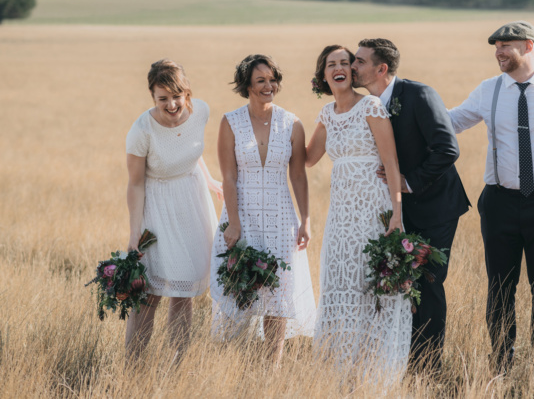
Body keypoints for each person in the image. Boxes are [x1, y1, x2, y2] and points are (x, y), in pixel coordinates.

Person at [448, 21, 534, 373]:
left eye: (505, 46)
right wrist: (403, 122)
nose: (498, 52)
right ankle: (502, 365)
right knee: (500, 291)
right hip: (499, 203)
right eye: (495, 47)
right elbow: (454, 121)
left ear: (528, 45)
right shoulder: (488, 90)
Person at [351, 38, 470, 372]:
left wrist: (407, 181)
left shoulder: (419, 95)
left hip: (435, 208)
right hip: (396, 213)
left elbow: (447, 149)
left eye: (359, 61)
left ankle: (428, 367)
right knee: (400, 284)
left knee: (428, 285)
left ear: (381, 68)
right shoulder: (366, 103)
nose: (352, 66)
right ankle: (398, 360)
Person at [306, 44, 410, 384]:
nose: (338, 67)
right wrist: (275, 126)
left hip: (373, 208)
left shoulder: (371, 106)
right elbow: (307, 158)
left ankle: (372, 371)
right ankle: (342, 371)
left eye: (344, 62)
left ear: (352, 71)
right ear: (323, 74)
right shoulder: (326, 114)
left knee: (370, 284)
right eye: (331, 64)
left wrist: (396, 214)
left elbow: (391, 163)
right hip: (341, 217)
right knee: (341, 282)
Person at [210, 54, 316, 365]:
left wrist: (305, 220)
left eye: (272, 79)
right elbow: (228, 176)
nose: (269, 85)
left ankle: (272, 370)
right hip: (241, 215)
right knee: (236, 293)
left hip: (281, 217)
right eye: (261, 80)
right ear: (247, 86)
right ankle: (228, 366)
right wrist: (234, 222)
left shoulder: (292, 123)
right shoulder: (230, 122)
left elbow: (298, 175)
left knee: (278, 300)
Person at [124, 59, 223, 360]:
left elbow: (192, 149)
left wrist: (208, 179)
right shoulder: (142, 130)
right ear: (153, 97)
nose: (171, 104)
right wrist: (134, 233)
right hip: (157, 207)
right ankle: (134, 365)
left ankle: (176, 365)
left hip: (192, 205)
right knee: (149, 292)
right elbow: (136, 184)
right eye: (162, 98)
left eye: (176, 96)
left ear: (186, 93)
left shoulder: (201, 112)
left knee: (184, 291)